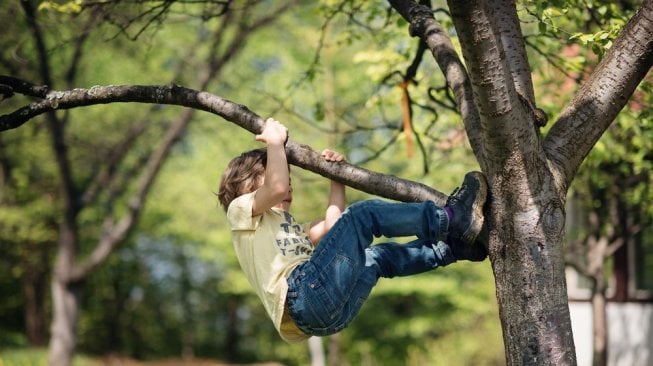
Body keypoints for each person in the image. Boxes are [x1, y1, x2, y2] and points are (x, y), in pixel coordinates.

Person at [217, 118, 488, 343]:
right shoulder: (240, 213)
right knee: (363, 215)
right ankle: (453, 218)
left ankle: (451, 248)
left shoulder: (291, 228)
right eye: (280, 174)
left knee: (374, 258)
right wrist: (275, 143)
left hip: (324, 316)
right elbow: (275, 188)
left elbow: (335, 228)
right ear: (247, 185)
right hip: (304, 298)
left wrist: (337, 176)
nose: (288, 186)